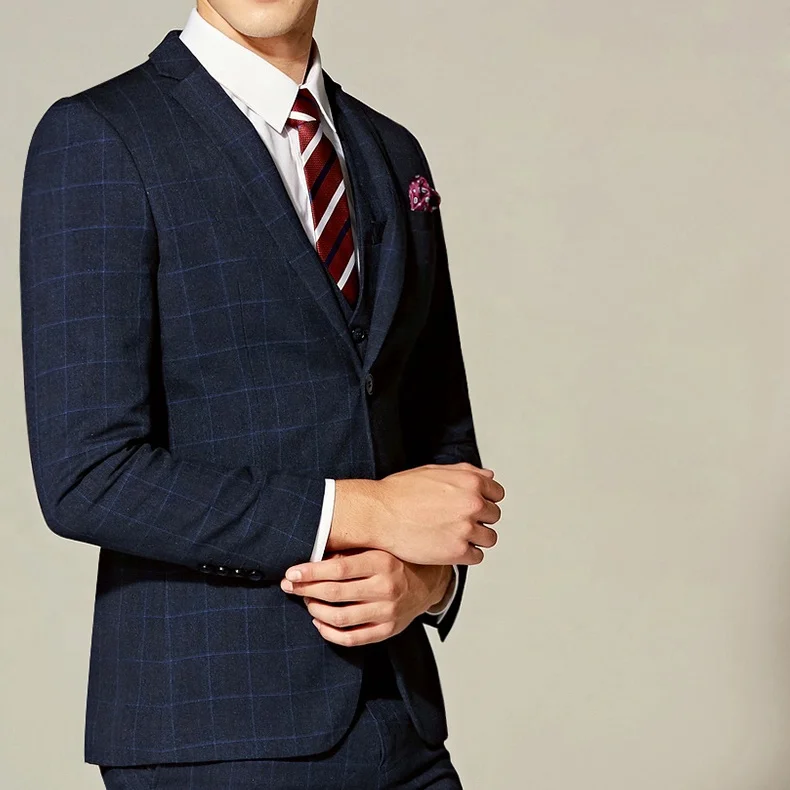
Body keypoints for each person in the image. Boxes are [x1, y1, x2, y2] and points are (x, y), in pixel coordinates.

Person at [19, 1, 505, 787]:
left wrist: (428, 584)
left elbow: (439, 444)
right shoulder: (102, 137)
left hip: (402, 719)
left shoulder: (390, 151)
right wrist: (360, 514)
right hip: (216, 732)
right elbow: (88, 474)